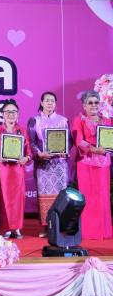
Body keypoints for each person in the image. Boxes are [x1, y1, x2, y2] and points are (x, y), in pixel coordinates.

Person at [27, 91, 70, 237]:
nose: (50, 103)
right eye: (47, 100)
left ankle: (60, 226)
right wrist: (39, 153)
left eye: (52, 100)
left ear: (55, 103)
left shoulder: (63, 120)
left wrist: (65, 151)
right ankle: (46, 227)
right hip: (43, 164)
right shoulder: (34, 120)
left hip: (60, 164)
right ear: (41, 102)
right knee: (44, 195)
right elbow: (31, 141)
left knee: (60, 195)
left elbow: (69, 140)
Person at [71, 90, 113, 240]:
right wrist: (94, 150)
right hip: (86, 163)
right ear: (84, 105)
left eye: (96, 102)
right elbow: (79, 141)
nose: (94, 105)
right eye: (90, 103)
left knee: (102, 196)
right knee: (88, 197)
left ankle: (104, 231)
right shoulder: (79, 120)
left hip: (103, 164)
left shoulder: (107, 121)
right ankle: (89, 232)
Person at [0, 99, 31, 239]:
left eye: (14, 112)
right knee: (4, 198)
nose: (11, 114)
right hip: (3, 170)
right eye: (7, 112)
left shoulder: (22, 130)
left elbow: (29, 152)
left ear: (18, 114)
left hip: (18, 170)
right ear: (2, 114)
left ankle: (17, 228)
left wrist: (26, 158)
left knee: (18, 199)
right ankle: (7, 227)